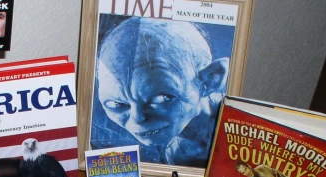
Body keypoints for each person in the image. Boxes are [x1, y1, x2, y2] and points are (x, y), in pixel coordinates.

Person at [94, 18, 229, 168]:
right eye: (116, 104)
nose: (138, 118)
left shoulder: (237, 131)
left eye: (161, 98)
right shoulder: (174, 150)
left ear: (211, 79)